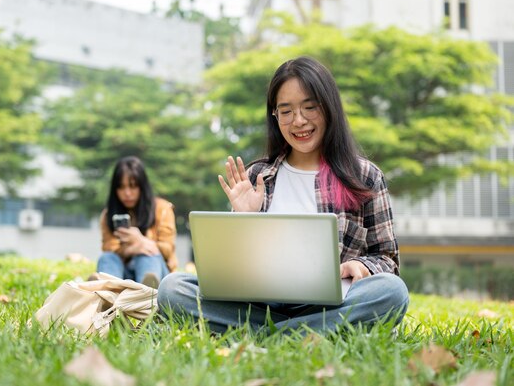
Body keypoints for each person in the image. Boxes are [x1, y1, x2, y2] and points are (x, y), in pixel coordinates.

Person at [157, 56, 409, 334]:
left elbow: (387, 260)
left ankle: (266, 334)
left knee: (393, 292)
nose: (298, 121)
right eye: (286, 111)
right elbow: (233, 272)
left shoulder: (364, 176)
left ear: (329, 108)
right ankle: (302, 333)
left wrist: (360, 266)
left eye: (309, 107)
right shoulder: (257, 176)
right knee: (171, 289)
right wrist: (244, 221)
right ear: (274, 116)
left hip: (331, 304)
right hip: (260, 304)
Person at [95, 156, 177, 288]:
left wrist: (142, 241)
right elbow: (109, 248)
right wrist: (131, 249)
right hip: (122, 275)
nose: (127, 193)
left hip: (156, 272)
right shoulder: (108, 214)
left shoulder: (162, 209)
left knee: (146, 255)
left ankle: (146, 295)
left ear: (142, 187)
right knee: (107, 258)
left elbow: (168, 250)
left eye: (133, 186)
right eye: (121, 187)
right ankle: (107, 294)